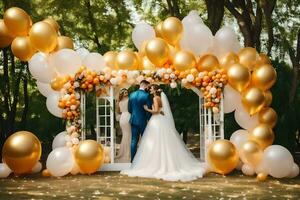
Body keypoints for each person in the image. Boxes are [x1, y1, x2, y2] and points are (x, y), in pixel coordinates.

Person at [121, 84, 207, 181]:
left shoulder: (154, 98)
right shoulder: (157, 97)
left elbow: (156, 111)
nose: (150, 90)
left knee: (153, 140)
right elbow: (160, 110)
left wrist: (146, 109)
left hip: (156, 120)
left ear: (155, 90)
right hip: (159, 120)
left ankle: (153, 163)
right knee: (160, 140)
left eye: (151, 89)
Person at [128, 80, 152, 161]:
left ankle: (132, 160)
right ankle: (145, 160)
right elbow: (148, 110)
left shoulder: (131, 94)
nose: (148, 88)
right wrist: (150, 120)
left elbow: (129, 109)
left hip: (133, 120)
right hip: (142, 121)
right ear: (145, 85)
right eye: (148, 86)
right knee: (145, 140)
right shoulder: (146, 95)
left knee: (134, 140)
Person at [115, 88, 131, 163]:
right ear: (122, 93)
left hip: (123, 117)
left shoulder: (119, 102)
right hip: (127, 116)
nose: (126, 93)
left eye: (126, 92)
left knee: (126, 135)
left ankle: (124, 152)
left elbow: (118, 111)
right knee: (128, 135)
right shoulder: (129, 100)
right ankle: (128, 153)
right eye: (124, 92)